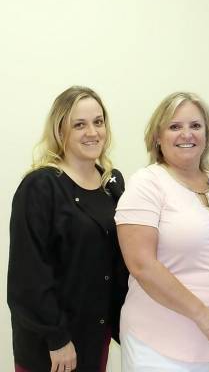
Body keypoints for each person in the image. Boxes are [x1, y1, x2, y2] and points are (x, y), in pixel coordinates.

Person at [115, 91, 209, 371]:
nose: (186, 134)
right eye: (174, 126)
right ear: (157, 136)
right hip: (161, 349)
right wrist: (201, 314)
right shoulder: (146, 185)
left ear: (207, 134)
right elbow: (141, 265)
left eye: (195, 126)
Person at [7, 86, 127, 372]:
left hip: (95, 337)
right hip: (51, 349)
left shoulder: (112, 183)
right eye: (79, 125)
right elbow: (28, 276)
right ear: (61, 131)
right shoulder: (40, 185)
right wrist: (57, 339)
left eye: (98, 122)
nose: (92, 132)